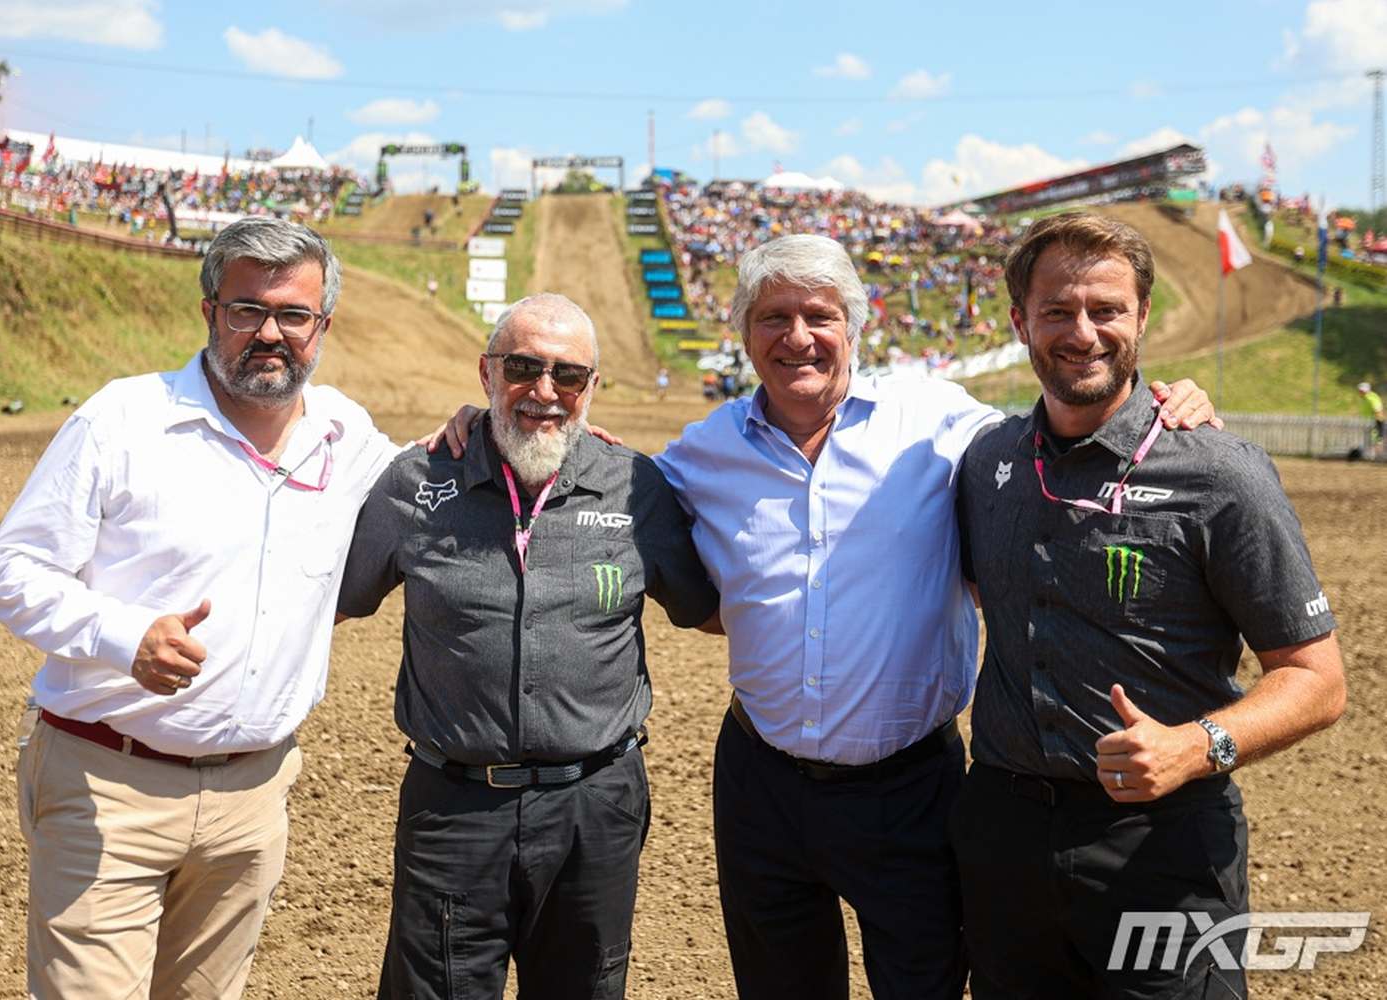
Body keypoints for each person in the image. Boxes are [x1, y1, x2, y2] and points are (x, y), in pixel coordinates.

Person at [436, 234, 1215, 1000]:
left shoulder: (940, 423)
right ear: (744, 334)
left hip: (911, 788)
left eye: (819, 316)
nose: (798, 338)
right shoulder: (701, 453)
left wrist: (1159, 402)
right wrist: (484, 425)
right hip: (761, 785)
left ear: (855, 325)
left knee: (923, 986)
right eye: (773, 318)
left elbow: (1067, 430)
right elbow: (591, 486)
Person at [0, 217, 402, 998]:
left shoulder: (347, 438)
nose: (269, 334)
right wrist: (125, 635)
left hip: (252, 802)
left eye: (293, 314)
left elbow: (437, 480)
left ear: (323, 325)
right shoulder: (124, 420)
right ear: (210, 312)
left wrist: (489, 426)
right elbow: (10, 568)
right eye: (247, 310)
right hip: (109, 787)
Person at [952, 212, 1345, 998]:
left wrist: (1196, 747)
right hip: (1004, 840)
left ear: (1142, 318)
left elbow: (1318, 680)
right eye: (1058, 310)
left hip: (1161, 842)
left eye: (1107, 309)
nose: (1083, 332)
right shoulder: (987, 461)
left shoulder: (1220, 472)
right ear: (1020, 321)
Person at [337, 293, 719, 1000]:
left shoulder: (637, 486)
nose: (544, 391)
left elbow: (711, 610)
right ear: (486, 372)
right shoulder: (418, 481)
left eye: (567, 375)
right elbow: (331, 598)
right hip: (453, 808)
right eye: (522, 367)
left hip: (594, 809)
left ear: (591, 387)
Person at [1358, 381, 1383, 451]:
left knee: (1375, 445)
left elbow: (1378, 412)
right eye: (1360, 390)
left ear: (1367, 391)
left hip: (1373, 426)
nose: (1360, 392)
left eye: (1362, 391)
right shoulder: (1364, 398)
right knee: (1368, 446)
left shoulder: (1371, 398)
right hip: (1367, 425)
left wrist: (1379, 429)